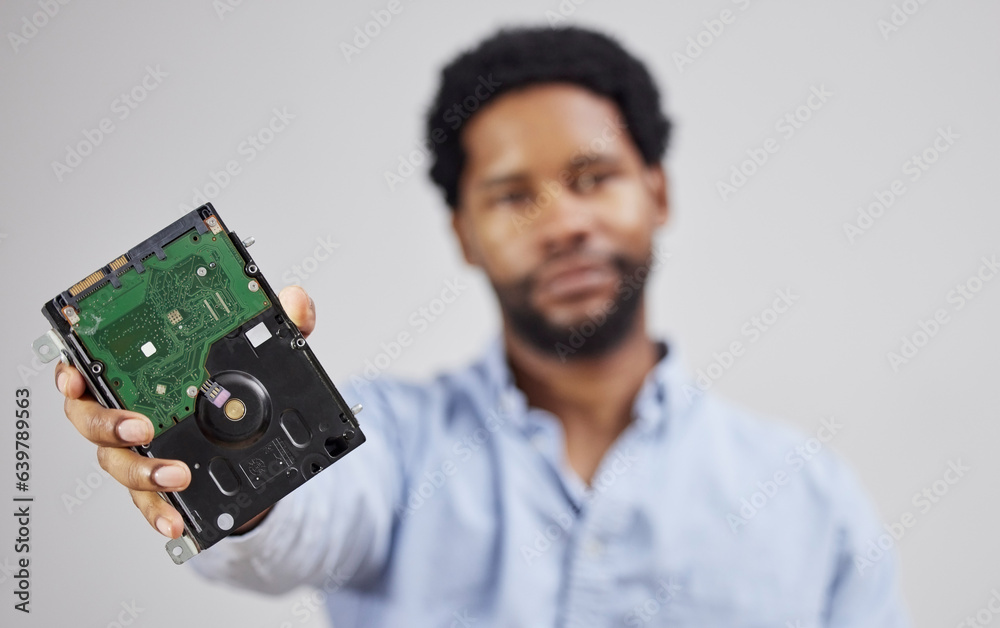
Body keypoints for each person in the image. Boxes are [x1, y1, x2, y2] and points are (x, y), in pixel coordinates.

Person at [54, 26, 911, 626]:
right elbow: (296, 525)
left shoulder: (807, 497)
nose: (562, 222)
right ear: (463, 231)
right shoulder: (389, 444)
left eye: (593, 176)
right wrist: (223, 451)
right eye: (512, 195)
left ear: (657, 192)